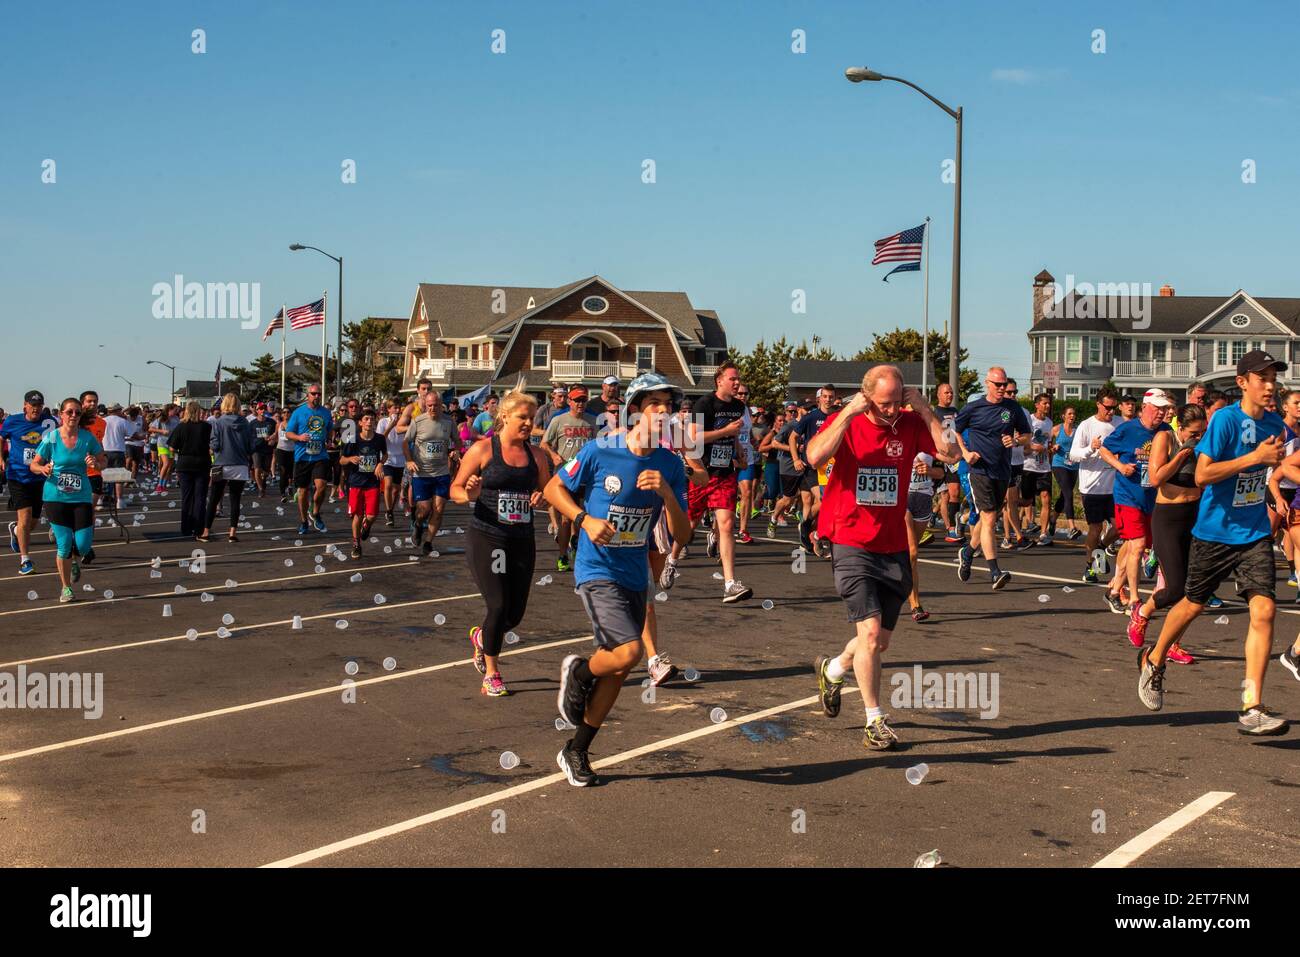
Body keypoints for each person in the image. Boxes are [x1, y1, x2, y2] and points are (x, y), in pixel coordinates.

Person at [1138, 350, 1289, 736]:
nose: (1270, 385)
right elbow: (1204, 475)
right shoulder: (1224, 420)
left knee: (1266, 610)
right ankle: (1154, 659)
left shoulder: (1276, 424)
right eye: (1262, 378)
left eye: (1274, 377)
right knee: (1191, 604)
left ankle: (1251, 704)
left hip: (1253, 531)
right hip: (1214, 532)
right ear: (1242, 383)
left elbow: (1268, 471)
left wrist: (1270, 467)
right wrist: (1254, 457)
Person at [549, 375, 690, 786]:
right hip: (596, 570)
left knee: (618, 670)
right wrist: (584, 519)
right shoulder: (599, 451)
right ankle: (578, 672)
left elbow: (682, 535)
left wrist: (666, 494)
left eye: (669, 404)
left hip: (633, 574)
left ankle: (575, 750)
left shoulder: (669, 465)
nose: (664, 412)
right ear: (634, 410)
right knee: (629, 653)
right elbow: (555, 487)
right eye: (655, 404)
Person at [809, 365, 948, 750]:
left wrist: (924, 409)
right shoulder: (848, 420)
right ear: (867, 396)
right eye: (883, 404)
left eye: (896, 401)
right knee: (868, 633)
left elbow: (950, 451)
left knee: (878, 642)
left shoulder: (909, 422)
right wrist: (848, 413)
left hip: (892, 544)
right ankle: (875, 719)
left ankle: (833, 669)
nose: (890, 411)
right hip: (850, 539)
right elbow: (813, 457)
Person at [451, 392, 551, 697]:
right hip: (488, 537)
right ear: (504, 417)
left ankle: (483, 637)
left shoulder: (536, 456)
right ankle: (492, 673)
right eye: (522, 417)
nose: (528, 424)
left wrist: (542, 497)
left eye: (532, 419)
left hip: (522, 538)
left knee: (515, 614)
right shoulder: (483, 450)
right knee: (497, 605)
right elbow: (454, 488)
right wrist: (470, 492)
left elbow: (549, 492)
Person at [1127, 403, 1206, 664]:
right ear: (1180, 428)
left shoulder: (1204, 444)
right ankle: (1143, 612)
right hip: (1168, 519)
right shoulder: (1166, 438)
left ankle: (1174, 644)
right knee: (1174, 588)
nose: (1198, 438)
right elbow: (1156, 477)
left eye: (1202, 432)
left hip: (1194, 517)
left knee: (1192, 592)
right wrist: (1181, 456)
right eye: (1194, 433)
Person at [954, 367, 1030, 590]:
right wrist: (965, 452)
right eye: (997, 385)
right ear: (987, 383)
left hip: (1002, 471)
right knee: (988, 518)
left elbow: (1026, 436)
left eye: (1004, 385)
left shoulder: (1012, 408)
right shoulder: (974, 408)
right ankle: (995, 572)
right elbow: (954, 430)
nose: (1001, 389)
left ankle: (967, 552)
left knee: (990, 518)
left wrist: (1016, 441)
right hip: (979, 471)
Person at [1099, 389, 1172, 617]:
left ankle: (1114, 590)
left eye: (1165, 408)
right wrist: (1120, 466)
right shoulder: (1128, 429)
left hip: (1152, 497)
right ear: (1146, 407)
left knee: (1134, 547)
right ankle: (1134, 599)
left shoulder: (1167, 431)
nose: (1162, 412)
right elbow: (1104, 449)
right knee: (1138, 545)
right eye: (1158, 408)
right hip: (1127, 495)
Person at [29, 398, 107, 603]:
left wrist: (96, 464)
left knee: (82, 545)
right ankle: (66, 588)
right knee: (63, 545)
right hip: (55, 496)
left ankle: (75, 560)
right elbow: (34, 465)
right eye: (70, 412)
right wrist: (43, 469)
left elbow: (103, 460)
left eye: (77, 413)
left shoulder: (87, 438)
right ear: (61, 414)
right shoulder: (52, 438)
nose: (73, 416)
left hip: (81, 496)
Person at [688, 362, 753, 602]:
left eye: (738, 379)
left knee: (727, 524)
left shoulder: (738, 406)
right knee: (689, 524)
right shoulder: (703, 404)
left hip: (725, 472)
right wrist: (725, 432)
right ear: (720, 381)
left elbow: (734, 434)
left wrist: (739, 452)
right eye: (733, 379)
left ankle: (729, 584)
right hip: (702, 471)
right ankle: (671, 560)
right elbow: (693, 437)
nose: (737, 383)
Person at [540, 386, 599, 572]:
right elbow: (544, 443)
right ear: (570, 402)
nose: (580, 404)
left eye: (583, 400)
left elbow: (599, 445)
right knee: (566, 518)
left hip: (588, 476)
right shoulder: (559, 420)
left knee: (584, 516)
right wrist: (554, 455)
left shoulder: (592, 421)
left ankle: (578, 546)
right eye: (577, 400)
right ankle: (562, 555)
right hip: (567, 475)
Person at [2, 390, 58, 575]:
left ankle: (16, 530)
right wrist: (1, 458)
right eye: (33, 405)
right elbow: (1, 437)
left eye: (39, 405)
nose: (36, 409)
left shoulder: (50, 423)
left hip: (41, 477)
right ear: (25, 405)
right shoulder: (12, 421)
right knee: (25, 518)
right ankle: (25, 560)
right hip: (18, 476)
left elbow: (58, 444)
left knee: (32, 523)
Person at [1070, 387, 1121, 584]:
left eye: (1113, 407)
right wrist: (1091, 448)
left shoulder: (1119, 423)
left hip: (1115, 486)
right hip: (1092, 487)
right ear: (1098, 404)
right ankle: (1090, 568)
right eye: (1107, 407)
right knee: (1095, 528)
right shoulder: (1086, 425)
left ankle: (1099, 548)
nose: (1111, 412)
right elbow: (1073, 455)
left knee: (1119, 527)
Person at [404, 389, 457, 553]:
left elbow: (458, 441)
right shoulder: (418, 422)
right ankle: (418, 524)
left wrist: (457, 451)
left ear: (442, 406)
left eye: (435, 405)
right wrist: (409, 460)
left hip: (441, 473)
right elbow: (405, 442)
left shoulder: (448, 422)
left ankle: (428, 542)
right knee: (424, 509)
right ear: (425, 406)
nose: (432, 409)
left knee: (439, 509)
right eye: (429, 406)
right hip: (422, 473)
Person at [200, 393, 256, 543]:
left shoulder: (218, 422)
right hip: (240, 464)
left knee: (214, 498)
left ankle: (206, 532)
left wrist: (212, 448)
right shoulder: (245, 423)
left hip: (221, 463)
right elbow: (251, 445)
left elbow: (215, 444)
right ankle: (232, 532)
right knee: (235, 499)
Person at [791, 385, 836, 553]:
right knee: (825, 501)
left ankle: (813, 530)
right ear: (820, 398)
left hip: (831, 466)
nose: (828, 399)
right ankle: (807, 526)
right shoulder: (811, 417)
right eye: (825, 396)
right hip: (812, 467)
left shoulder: (837, 416)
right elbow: (792, 437)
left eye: (831, 396)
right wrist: (796, 459)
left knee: (825, 503)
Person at [283, 385, 333, 534]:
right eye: (313, 393)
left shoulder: (325, 412)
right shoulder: (299, 412)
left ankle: (315, 512)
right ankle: (304, 520)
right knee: (303, 492)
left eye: (319, 393)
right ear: (308, 395)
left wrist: (329, 439)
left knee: (322, 485)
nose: (316, 396)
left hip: (320, 455)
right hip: (303, 456)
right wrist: (299, 437)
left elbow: (329, 428)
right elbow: (288, 433)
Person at [340, 407, 387, 558]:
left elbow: (385, 455)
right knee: (357, 515)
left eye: (372, 419)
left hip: (372, 481)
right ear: (360, 423)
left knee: (372, 516)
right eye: (366, 419)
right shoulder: (352, 438)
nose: (369, 422)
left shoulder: (379, 439)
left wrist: (380, 463)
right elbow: (341, 459)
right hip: (356, 482)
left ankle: (366, 527)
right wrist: (350, 459)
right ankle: (356, 544)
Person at [167, 401, 213, 538]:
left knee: (186, 497)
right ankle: (198, 528)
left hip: (185, 463)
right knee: (200, 497)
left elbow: (172, 447)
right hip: (202, 463)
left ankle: (186, 527)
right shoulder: (206, 427)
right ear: (198, 412)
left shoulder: (181, 427)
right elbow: (212, 444)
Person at [1021, 393, 1055, 545]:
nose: (1047, 406)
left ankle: (1043, 533)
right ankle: (1005, 506)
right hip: (1028, 466)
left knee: (1046, 498)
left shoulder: (1049, 423)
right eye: (1044, 403)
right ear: (1037, 405)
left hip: (1044, 467)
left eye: (1048, 404)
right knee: (1026, 501)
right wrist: (1035, 447)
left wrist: (1050, 450)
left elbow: (1048, 443)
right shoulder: (1030, 421)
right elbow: (1023, 444)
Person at [932, 383, 962, 543]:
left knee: (954, 492)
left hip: (954, 458)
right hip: (939, 458)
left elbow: (959, 433)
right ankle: (949, 526)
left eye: (951, 392)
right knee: (944, 494)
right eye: (946, 393)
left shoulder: (956, 412)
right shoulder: (934, 413)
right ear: (938, 395)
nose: (949, 395)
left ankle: (952, 528)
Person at [1050, 406, 1081, 540]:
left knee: (1064, 496)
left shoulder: (1078, 430)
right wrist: (1053, 447)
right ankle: (1072, 528)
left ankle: (1053, 519)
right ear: (1063, 416)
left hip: (1073, 466)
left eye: (1073, 413)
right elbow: (1047, 445)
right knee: (1069, 494)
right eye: (1069, 414)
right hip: (1059, 464)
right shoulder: (1057, 429)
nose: (1072, 416)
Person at [376, 399, 406, 526]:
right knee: (387, 485)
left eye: (398, 407)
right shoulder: (383, 422)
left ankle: (390, 509)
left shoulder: (404, 422)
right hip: (387, 457)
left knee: (396, 490)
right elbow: (380, 438)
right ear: (388, 410)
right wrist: (391, 426)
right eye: (394, 407)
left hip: (400, 459)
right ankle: (388, 511)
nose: (397, 410)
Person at [78, 391, 107, 509]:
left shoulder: (102, 423)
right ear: (82, 403)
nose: (92, 404)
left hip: (94, 472)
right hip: (76, 471)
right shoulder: (75, 421)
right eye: (89, 401)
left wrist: (102, 459)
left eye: (95, 401)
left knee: (89, 511)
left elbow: (100, 444)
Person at [248, 403, 277, 497]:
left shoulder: (271, 422)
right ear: (257, 411)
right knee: (257, 468)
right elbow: (249, 437)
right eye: (260, 409)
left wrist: (273, 440)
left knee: (266, 471)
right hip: (256, 449)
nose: (263, 410)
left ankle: (263, 480)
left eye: (264, 408)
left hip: (267, 449)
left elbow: (276, 433)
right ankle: (260, 489)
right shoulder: (252, 423)